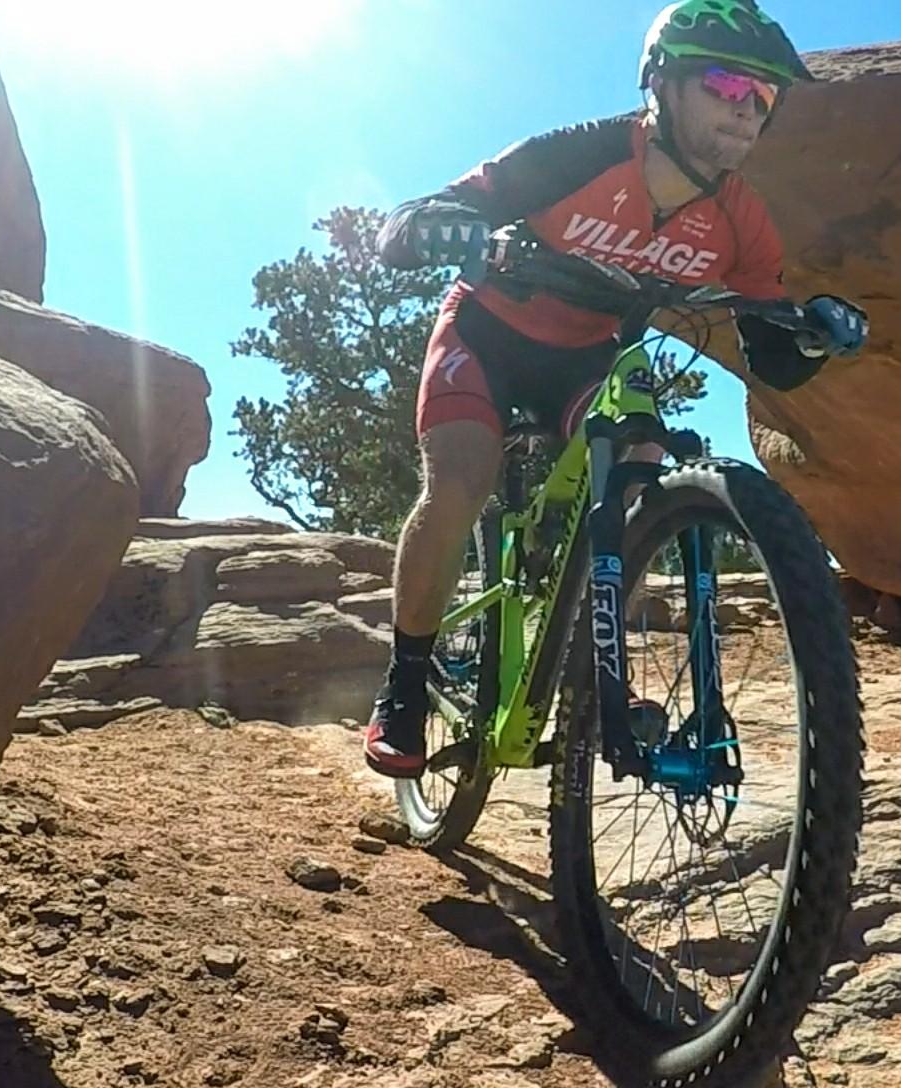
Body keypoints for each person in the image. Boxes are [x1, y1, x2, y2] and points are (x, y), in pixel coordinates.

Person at [362, 0, 870, 778]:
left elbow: (768, 345)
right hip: (489, 337)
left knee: (640, 473)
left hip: (588, 357)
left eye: (763, 97)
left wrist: (812, 335)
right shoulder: (582, 154)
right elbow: (430, 210)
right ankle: (405, 682)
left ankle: (595, 678)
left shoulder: (741, 220)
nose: (746, 110)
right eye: (727, 83)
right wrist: (433, 227)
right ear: (661, 84)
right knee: (462, 480)